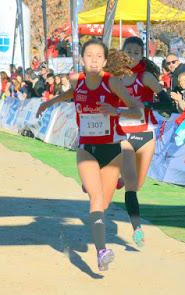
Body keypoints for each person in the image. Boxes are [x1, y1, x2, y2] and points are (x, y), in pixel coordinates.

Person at [36, 38, 143, 271]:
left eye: (98, 56)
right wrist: (49, 103)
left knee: (102, 205)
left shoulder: (112, 82)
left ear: (104, 61)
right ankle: (102, 251)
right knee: (95, 200)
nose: (93, 60)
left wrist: (117, 110)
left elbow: (138, 110)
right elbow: (70, 94)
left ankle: (95, 185)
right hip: (86, 149)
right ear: (82, 59)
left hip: (112, 151)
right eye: (89, 56)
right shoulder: (77, 80)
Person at [109, 37, 170, 247]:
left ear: (142, 55)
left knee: (138, 184)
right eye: (129, 52)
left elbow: (165, 100)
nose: (132, 56)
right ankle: (137, 229)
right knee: (132, 188)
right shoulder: (114, 77)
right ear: (122, 53)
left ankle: (121, 179)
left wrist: (149, 103)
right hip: (123, 134)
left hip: (145, 133)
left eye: (137, 53)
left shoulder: (145, 77)